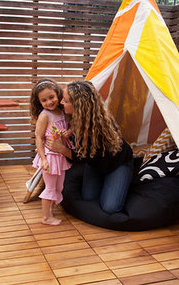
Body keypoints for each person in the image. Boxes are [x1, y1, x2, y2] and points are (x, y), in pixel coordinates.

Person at [46, 80, 133, 214]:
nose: (61, 103)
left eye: (66, 100)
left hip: (117, 163)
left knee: (110, 208)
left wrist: (61, 149)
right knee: (89, 198)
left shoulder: (98, 128)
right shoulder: (71, 117)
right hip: (95, 163)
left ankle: (123, 178)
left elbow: (83, 156)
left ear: (78, 105)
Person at [30, 79, 73, 225]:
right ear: (39, 102)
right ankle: (46, 217)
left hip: (61, 155)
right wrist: (43, 159)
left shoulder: (62, 112)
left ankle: (50, 212)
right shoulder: (44, 116)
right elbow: (38, 138)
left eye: (51, 97)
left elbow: (69, 127)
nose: (49, 102)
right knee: (50, 187)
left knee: (59, 187)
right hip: (50, 156)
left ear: (58, 95)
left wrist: (67, 132)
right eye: (44, 100)